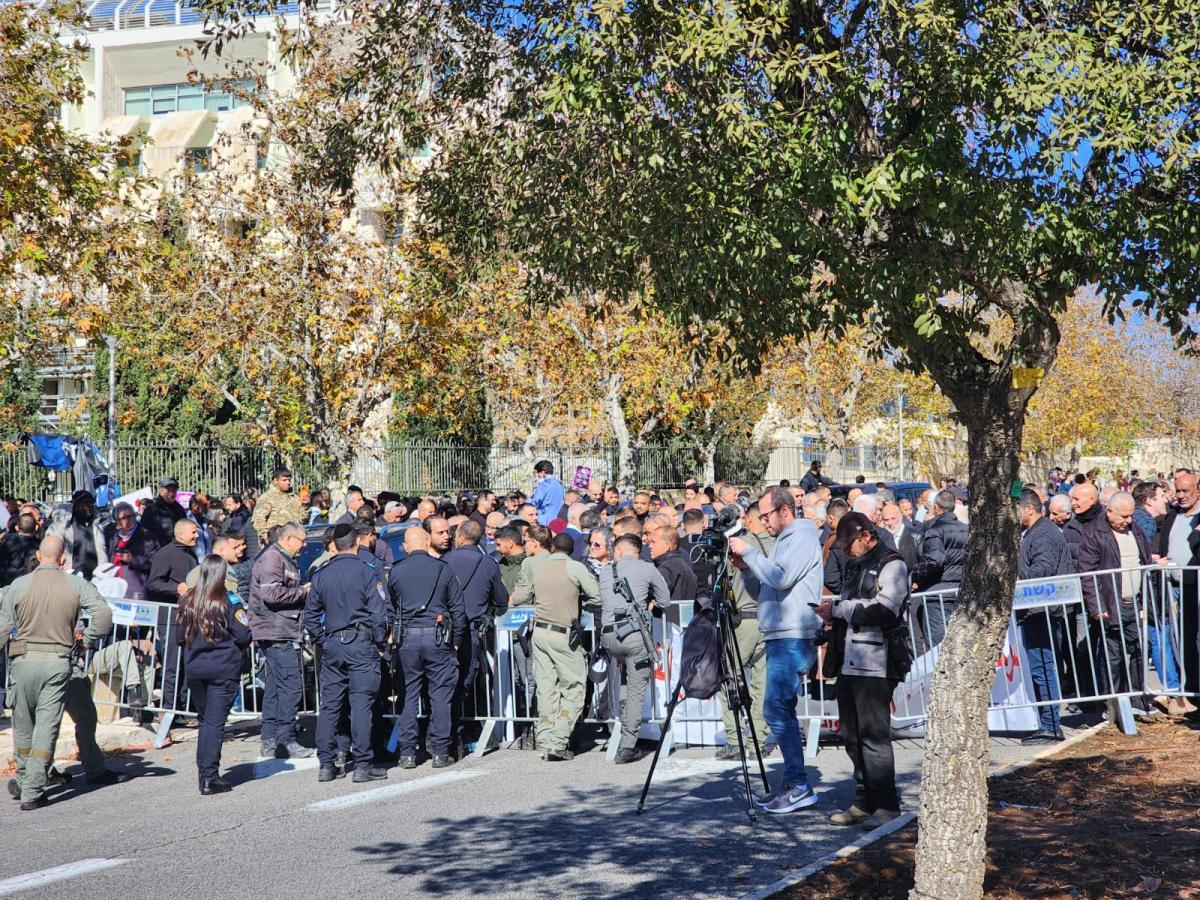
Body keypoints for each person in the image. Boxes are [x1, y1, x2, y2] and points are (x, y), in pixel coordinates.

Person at [728, 486, 823, 814]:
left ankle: (798, 786)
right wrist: (746, 569)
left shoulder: (800, 536)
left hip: (792, 634)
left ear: (784, 510)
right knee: (777, 708)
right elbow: (768, 588)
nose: (762, 522)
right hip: (780, 633)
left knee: (776, 708)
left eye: (766, 515)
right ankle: (794, 784)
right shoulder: (787, 540)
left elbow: (780, 578)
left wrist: (751, 553)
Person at [0, 535, 113, 809]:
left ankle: (26, 779)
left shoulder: (18, 585)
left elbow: (3, 627)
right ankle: (32, 792)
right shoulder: (75, 584)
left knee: (24, 727)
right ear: (63, 558)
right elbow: (103, 616)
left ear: (39, 556)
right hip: (57, 661)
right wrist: (86, 640)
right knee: (46, 728)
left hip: (22, 663)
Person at [814, 512, 906, 830]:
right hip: (850, 661)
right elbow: (852, 601)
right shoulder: (855, 564)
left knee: (874, 736)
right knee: (852, 735)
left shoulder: (892, 562)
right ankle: (864, 800)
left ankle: (887, 805)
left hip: (877, 663)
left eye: (848, 543)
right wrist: (832, 613)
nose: (845, 550)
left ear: (865, 536)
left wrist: (838, 609)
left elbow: (885, 609)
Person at [305, 524, 389, 783]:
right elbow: (378, 613)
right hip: (360, 643)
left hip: (332, 644)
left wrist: (323, 640)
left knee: (330, 706)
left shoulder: (321, 574)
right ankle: (363, 764)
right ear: (357, 543)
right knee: (361, 704)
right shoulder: (367, 572)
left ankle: (326, 764)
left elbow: (309, 617)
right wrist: (380, 643)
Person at [388, 527, 466, 768]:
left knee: (409, 694)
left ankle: (408, 753)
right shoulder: (442, 569)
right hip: (438, 637)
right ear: (426, 541)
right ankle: (441, 751)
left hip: (408, 640)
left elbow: (391, 608)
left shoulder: (396, 571)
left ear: (407, 546)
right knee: (440, 695)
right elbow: (458, 610)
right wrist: (456, 641)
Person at [520, 532, 600, 761]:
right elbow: (597, 596)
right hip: (564, 634)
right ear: (571, 550)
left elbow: (525, 593)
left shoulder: (539, 567)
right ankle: (558, 740)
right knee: (573, 686)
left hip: (540, 632)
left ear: (552, 547)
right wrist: (579, 602)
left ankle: (544, 738)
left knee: (546, 687)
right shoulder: (575, 568)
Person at [179, 554, 253, 794]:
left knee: (205, 721)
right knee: (213, 723)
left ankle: (205, 772)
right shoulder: (229, 600)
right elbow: (244, 635)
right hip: (223, 668)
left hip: (196, 670)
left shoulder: (188, 600)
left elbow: (180, 637)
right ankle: (209, 776)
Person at [598, 533, 670, 763]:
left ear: (618, 551)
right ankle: (628, 745)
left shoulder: (605, 571)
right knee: (636, 691)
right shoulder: (647, 569)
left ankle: (619, 731)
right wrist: (649, 603)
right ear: (639, 551)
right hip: (634, 636)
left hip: (609, 637)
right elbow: (666, 601)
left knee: (625, 682)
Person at [248, 522, 315, 759]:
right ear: (289, 539)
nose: (305, 545)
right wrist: (304, 592)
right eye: (302, 540)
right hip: (275, 631)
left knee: (276, 687)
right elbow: (271, 594)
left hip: (279, 630)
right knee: (291, 686)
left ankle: (270, 739)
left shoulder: (282, 558)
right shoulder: (273, 559)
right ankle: (285, 740)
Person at [1078, 491, 1149, 702]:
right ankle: (1116, 701)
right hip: (1111, 603)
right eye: (1124, 516)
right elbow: (1087, 574)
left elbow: (1142, 559)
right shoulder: (1094, 533)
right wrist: (1097, 605)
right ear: (1109, 512)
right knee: (1113, 656)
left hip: (1135, 602)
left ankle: (1137, 697)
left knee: (1138, 649)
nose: (1129, 521)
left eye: (1131, 516)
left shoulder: (1134, 530)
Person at [445, 520, 509, 753]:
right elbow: (502, 600)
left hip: (448, 631)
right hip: (474, 630)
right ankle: (474, 729)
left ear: (460, 537)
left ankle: (452, 733)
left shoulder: (444, 562)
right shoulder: (488, 563)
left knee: (449, 683)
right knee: (471, 683)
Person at [1015, 490, 1072, 743]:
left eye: (1015, 509)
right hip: (1037, 610)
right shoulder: (1037, 532)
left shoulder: (1043, 533)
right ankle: (1046, 722)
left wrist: (1016, 580)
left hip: (1042, 611)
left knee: (1043, 668)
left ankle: (1051, 725)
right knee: (1041, 668)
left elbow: (1044, 567)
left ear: (1029, 508)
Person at [716, 504, 772, 760]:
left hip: (744, 620)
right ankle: (758, 739)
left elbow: (719, 583)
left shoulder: (736, 546)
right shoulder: (777, 545)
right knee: (763, 683)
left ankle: (734, 737)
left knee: (730, 678)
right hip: (771, 620)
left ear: (749, 520)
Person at [147, 518, 201, 713]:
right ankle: (169, 709)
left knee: (188, 663)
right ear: (180, 534)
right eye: (193, 533)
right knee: (173, 664)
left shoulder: (191, 554)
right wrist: (175, 588)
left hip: (189, 617)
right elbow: (153, 583)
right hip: (171, 618)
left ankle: (184, 707)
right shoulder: (165, 554)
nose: (197, 535)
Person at [1156, 471, 1200, 697]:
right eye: (1178, 491)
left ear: (1198, 490)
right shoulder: (1173, 515)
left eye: (1186, 491)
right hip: (1174, 588)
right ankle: (1192, 690)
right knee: (1182, 641)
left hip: (1196, 587)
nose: (1181, 496)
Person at [910, 489, 968, 648]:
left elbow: (935, 559)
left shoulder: (934, 529)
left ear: (936, 507)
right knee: (957, 645)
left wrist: (914, 575)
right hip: (959, 591)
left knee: (937, 647)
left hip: (938, 595)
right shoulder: (966, 529)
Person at [47, 491, 109, 581]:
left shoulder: (98, 527)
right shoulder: (61, 527)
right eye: (86, 503)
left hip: (96, 580)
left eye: (91, 503)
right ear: (76, 506)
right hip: (70, 580)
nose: (90, 506)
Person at [252, 468, 305, 543]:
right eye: (284, 480)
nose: (288, 482)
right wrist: (266, 537)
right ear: (275, 481)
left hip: (294, 541)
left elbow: (302, 520)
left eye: (289, 480)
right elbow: (258, 519)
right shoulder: (267, 497)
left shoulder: (294, 498)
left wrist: (305, 505)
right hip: (275, 542)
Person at [0, 513, 41, 588]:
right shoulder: (39, 546)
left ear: (16, 527)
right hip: (27, 587)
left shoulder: (6, 540)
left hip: (5, 585)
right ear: (35, 528)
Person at [880, 502, 919, 571]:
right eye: (886, 520)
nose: (890, 523)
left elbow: (922, 561)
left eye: (893, 518)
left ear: (900, 516)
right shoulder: (880, 538)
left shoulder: (916, 536)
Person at [530, 461, 565, 527]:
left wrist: (527, 501)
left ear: (543, 472)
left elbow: (535, 503)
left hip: (544, 521)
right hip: (557, 520)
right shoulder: (560, 484)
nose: (537, 475)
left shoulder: (544, 484)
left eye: (538, 472)